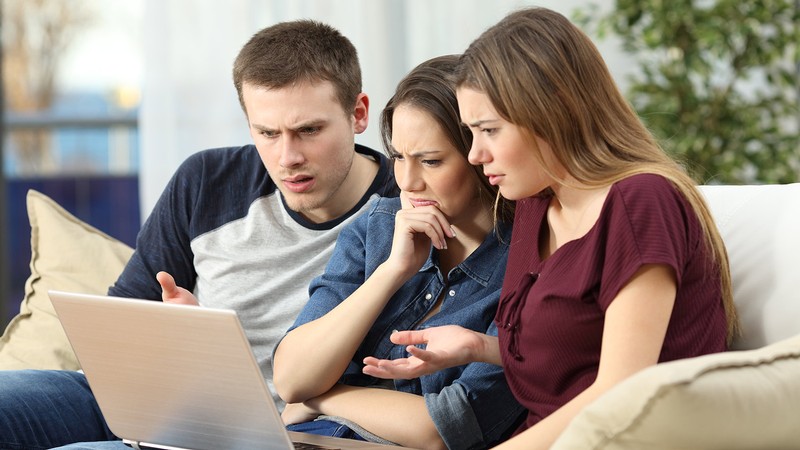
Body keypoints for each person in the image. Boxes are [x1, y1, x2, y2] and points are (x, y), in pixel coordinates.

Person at [0, 19, 397, 450]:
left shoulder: (404, 208)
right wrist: (175, 334)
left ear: (358, 114)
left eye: (309, 131)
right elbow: (119, 329)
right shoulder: (206, 180)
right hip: (153, 397)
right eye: (267, 132)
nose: (287, 157)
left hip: (273, 434)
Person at [362, 7, 739, 450]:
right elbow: (576, 357)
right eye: (470, 133)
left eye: (488, 130)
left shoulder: (643, 203)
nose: (475, 154)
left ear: (549, 113)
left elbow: (619, 396)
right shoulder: (534, 206)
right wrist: (478, 347)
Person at [271, 55, 524, 450]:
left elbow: (445, 428)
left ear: (480, 155)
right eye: (399, 157)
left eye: (431, 161)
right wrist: (393, 270)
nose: (407, 181)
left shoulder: (524, 261)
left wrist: (324, 396)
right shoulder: (380, 225)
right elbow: (290, 378)